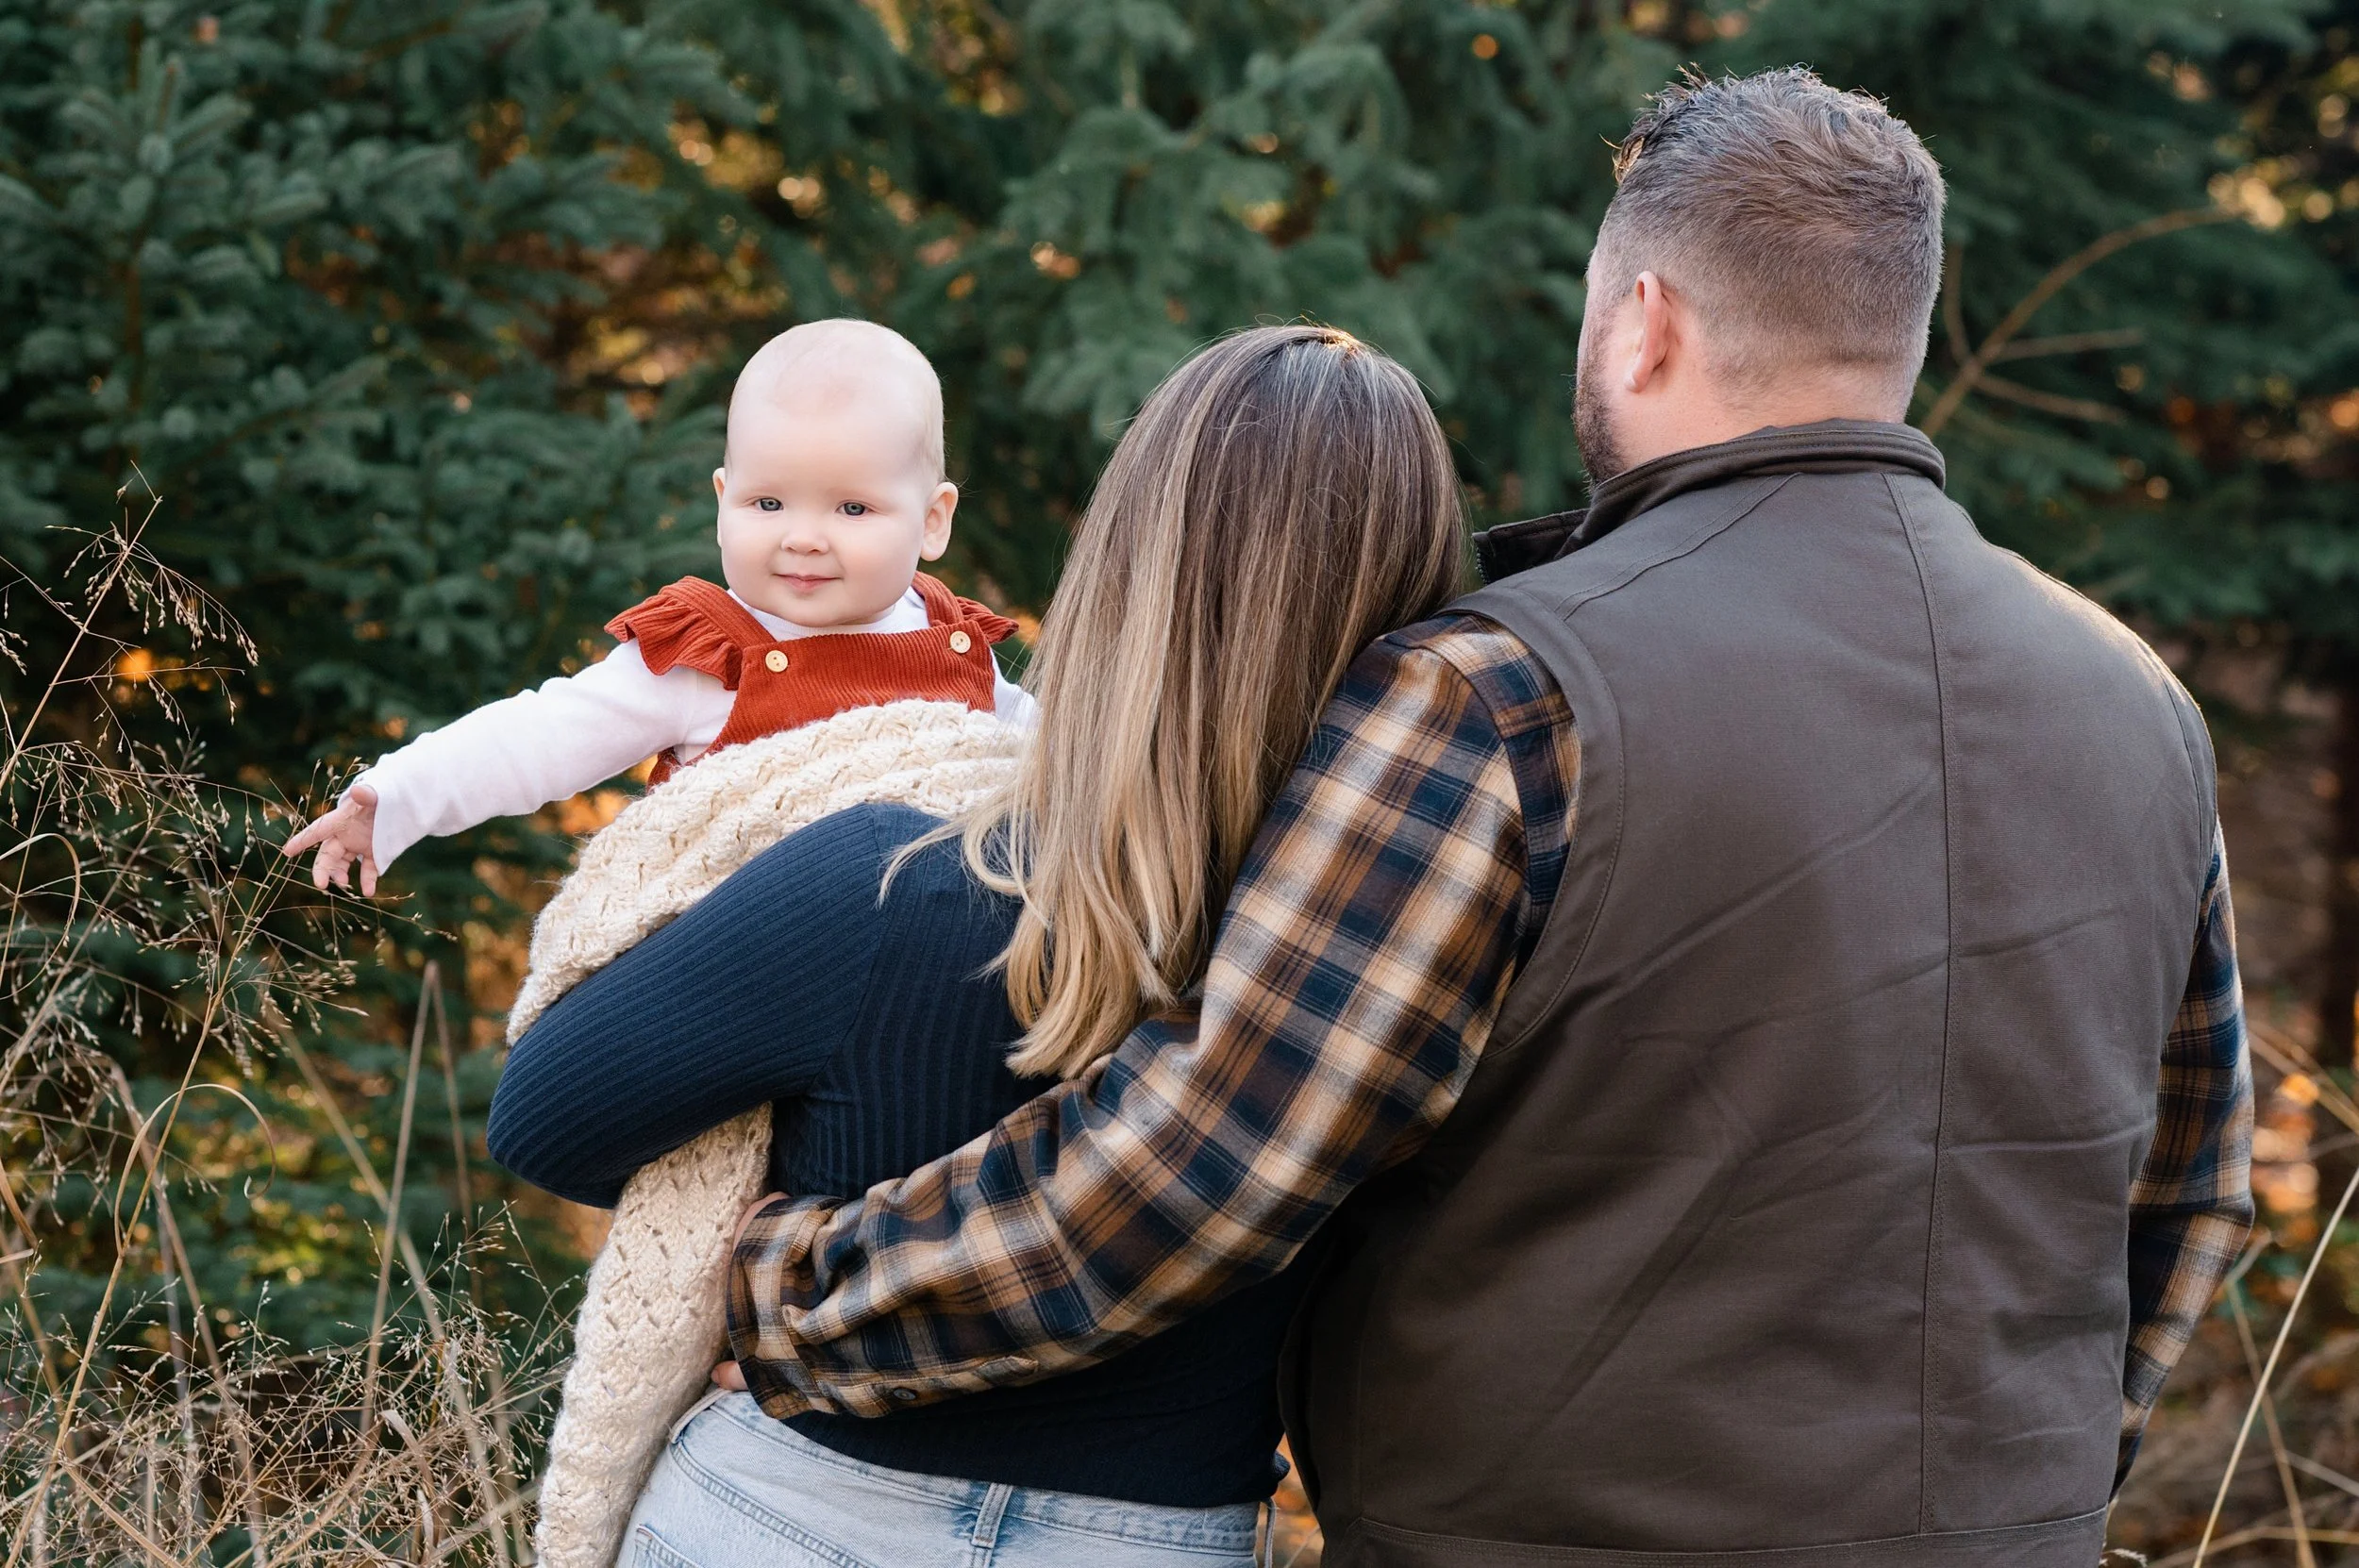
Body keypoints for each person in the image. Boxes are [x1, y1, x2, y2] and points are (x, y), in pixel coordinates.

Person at [701, 71, 2255, 1567]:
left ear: (1644, 322)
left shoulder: (1507, 692)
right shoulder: (2141, 707)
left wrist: (783, 1292)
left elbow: (1200, 1165)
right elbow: (2188, 1198)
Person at [486, 325, 1467, 1566]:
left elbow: (544, 1117)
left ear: (1120, 569)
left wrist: (752, 1245)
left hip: (789, 1513)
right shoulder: (1400, 956)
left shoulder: (888, 876)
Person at [281, 318, 1030, 895]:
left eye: (853, 509)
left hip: (920, 950)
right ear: (721, 498)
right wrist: (398, 796)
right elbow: (542, 736)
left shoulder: (952, 640)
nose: (803, 539)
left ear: (932, 520)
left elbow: (1058, 750)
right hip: (744, 961)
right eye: (767, 502)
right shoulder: (706, 656)